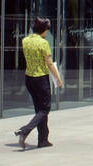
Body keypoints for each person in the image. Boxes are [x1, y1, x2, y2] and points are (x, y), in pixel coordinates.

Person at [15, 17, 63, 149]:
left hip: (29, 78)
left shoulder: (25, 41)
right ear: (42, 30)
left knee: (39, 109)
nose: (47, 33)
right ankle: (25, 130)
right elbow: (48, 63)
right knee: (45, 109)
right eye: (46, 30)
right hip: (41, 78)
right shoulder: (43, 43)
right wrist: (58, 78)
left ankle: (43, 139)